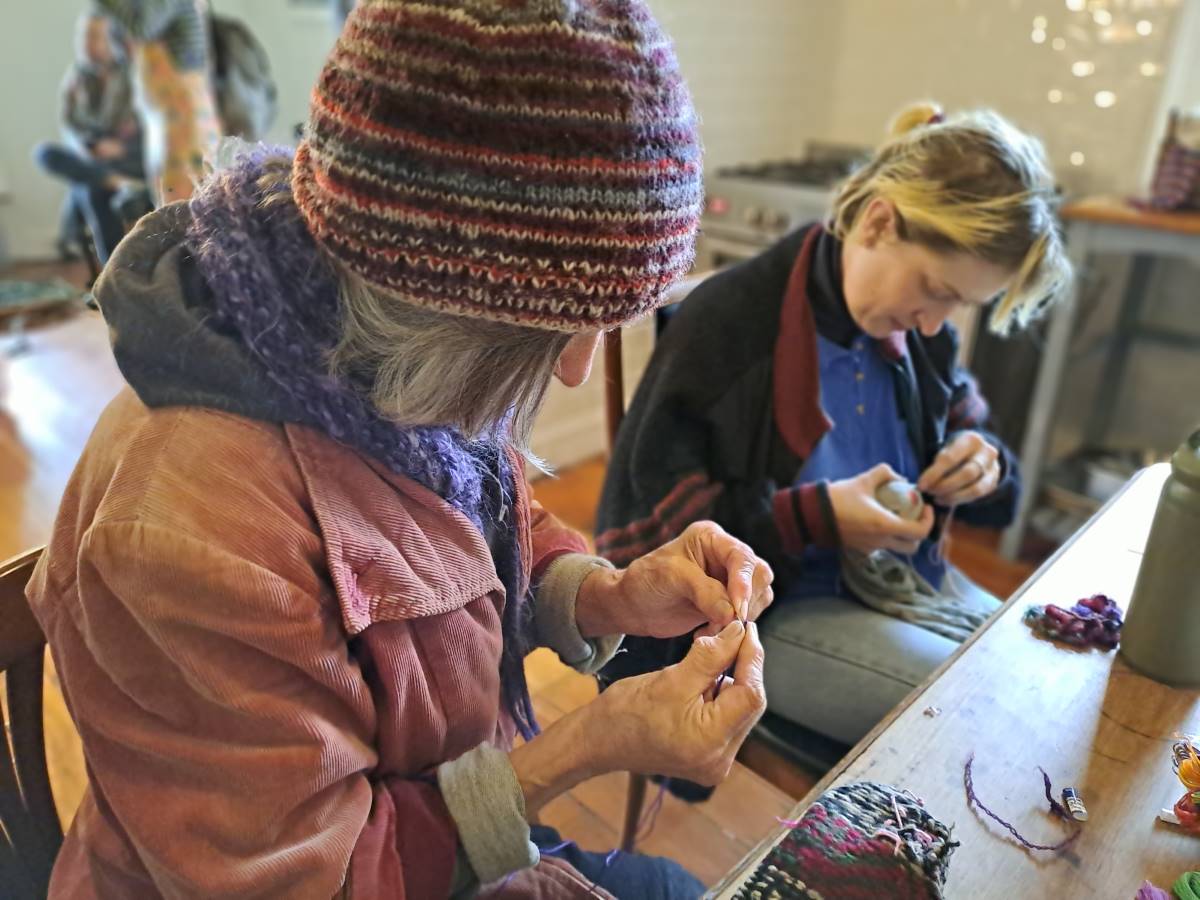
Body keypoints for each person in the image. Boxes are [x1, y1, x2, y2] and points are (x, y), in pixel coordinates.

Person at [27, 2, 774, 898]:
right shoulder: (185, 527)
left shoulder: (374, 353)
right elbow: (316, 879)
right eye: (563, 333)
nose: (578, 373)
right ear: (445, 300)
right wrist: (593, 742)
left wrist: (607, 596)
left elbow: (466, 533)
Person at [595, 102, 1071, 755]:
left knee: (1051, 667)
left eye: (960, 304)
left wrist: (982, 459)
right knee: (990, 710)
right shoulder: (727, 325)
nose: (935, 324)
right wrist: (812, 517)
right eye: (936, 289)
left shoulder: (913, 329)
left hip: (894, 578)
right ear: (878, 221)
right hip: (770, 612)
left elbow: (982, 455)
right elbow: (648, 543)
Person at [33, 13, 144, 263]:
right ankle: (114, 183)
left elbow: (152, 128)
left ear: (113, 40)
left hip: (130, 158)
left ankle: (111, 273)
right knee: (45, 154)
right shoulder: (75, 77)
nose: (86, 43)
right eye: (82, 36)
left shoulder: (134, 73)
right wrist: (85, 148)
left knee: (87, 185)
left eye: (94, 36)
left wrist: (121, 147)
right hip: (91, 160)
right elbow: (70, 128)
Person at [93, 0, 221, 203]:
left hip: (181, 102)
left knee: (187, 184)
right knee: (167, 180)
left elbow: (143, 28)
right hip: (163, 107)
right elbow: (123, 48)